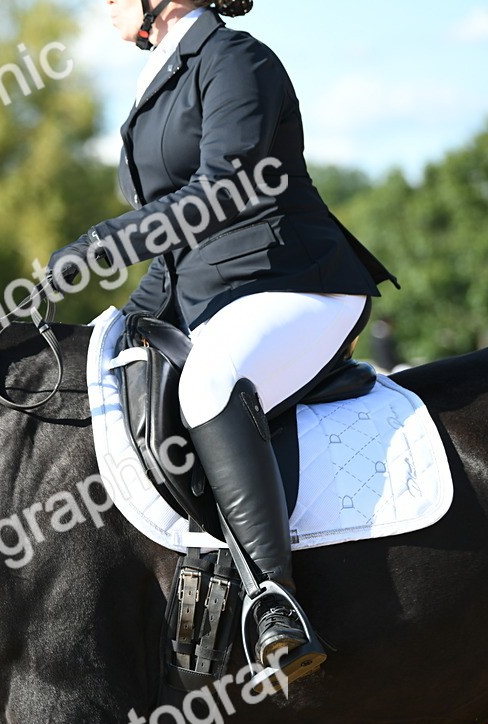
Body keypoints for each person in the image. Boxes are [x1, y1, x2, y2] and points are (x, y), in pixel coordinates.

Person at [48, 0, 398, 677]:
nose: (104, 2)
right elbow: (177, 253)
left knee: (210, 378)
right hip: (213, 294)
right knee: (115, 369)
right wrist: (113, 323)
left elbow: (219, 194)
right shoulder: (163, 77)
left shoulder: (237, 59)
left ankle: (275, 601)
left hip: (296, 281)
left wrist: (100, 243)